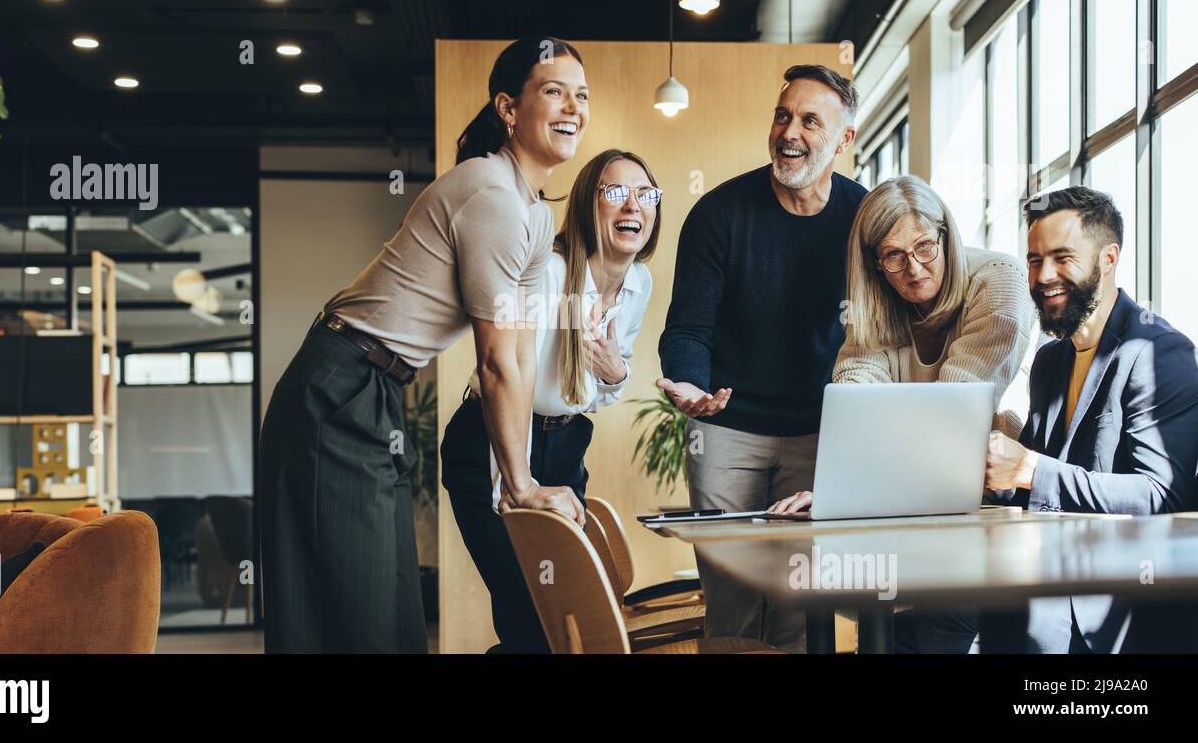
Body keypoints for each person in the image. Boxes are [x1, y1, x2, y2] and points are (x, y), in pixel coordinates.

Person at [259, 37, 588, 654]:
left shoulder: (536, 215)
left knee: (386, 607)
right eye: (553, 90)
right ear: (508, 109)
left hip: (374, 387)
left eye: (581, 95)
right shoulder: (491, 194)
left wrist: (519, 482)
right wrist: (518, 485)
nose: (573, 106)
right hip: (337, 385)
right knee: (351, 610)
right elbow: (492, 363)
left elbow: (517, 355)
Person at [767, 173, 1038, 653]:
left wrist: (857, 486)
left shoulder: (1001, 281)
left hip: (993, 501)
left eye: (924, 248)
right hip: (917, 502)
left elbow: (953, 415)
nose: (913, 268)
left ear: (946, 236)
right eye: (893, 255)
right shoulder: (876, 304)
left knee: (943, 629)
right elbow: (855, 394)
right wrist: (836, 490)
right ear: (875, 263)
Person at [657, 64, 866, 652]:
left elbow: (883, 331)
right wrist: (691, 385)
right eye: (782, 115)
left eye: (809, 120)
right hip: (727, 432)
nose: (789, 132)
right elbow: (687, 329)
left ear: (844, 141)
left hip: (820, 432)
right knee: (733, 603)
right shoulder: (719, 214)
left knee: (800, 605)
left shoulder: (864, 218)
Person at [442, 149, 661, 652]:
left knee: (568, 615)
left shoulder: (638, 284)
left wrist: (616, 370)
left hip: (564, 447)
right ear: (588, 204)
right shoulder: (548, 274)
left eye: (645, 194)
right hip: (493, 442)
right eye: (614, 192)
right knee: (530, 618)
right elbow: (506, 376)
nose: (633, 205)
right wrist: (513, 488)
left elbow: (601, 390)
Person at [984, 186, 1198, 653]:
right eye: (1035, 260)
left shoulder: (1159, 353)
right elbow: (1032, 481)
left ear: (1108, 258)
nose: (1044, 276)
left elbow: (1160, 497)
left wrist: (1029, 469)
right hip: (1050, 571)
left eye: (1062, 257)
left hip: (1119, 599)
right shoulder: (1049, 360)